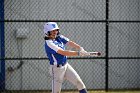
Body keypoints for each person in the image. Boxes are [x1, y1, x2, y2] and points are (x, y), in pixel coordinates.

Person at [43, 22, 99, 93]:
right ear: (47, 32)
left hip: (66, 66)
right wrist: (78, 53)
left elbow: (69, 42)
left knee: (79, 83)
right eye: (52, 31)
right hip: (56, 69)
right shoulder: (49, 43)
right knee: (56, 92)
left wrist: (80, 48)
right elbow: (63, 52)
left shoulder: (59, 37)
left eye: (56, 30)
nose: (55, 32)